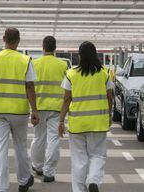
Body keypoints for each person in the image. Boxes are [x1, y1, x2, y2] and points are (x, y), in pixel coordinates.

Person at [0, 27, 39, 192]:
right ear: (18, 41)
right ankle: (23, 181)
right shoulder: (25, 60)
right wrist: (35, 110)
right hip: (18, 111)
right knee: (20, 146)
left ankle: (1, 186)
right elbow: (30, 86)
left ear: (3, 39)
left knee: (0, 147)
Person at [58, 41, 112, 192]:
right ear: (95, 55)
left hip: (77, 124)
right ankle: (93, 179)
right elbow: (109, 97)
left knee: (78, 160)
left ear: (79, 56)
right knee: (98, 155)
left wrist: (61, 120)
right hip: (98, 123)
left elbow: (67, 99)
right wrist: (109, 115)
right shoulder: (104, 74)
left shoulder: (71, 74)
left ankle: (79, 190)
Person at [30, 36, 68, 182]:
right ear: (55, 48)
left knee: (39, 138)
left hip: (38, 107)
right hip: (57, 108)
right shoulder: (63, 65)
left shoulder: (34, 63)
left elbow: (30, 85)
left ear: (43, 47)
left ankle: (38, 167)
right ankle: (49, 172)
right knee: (53, 139)